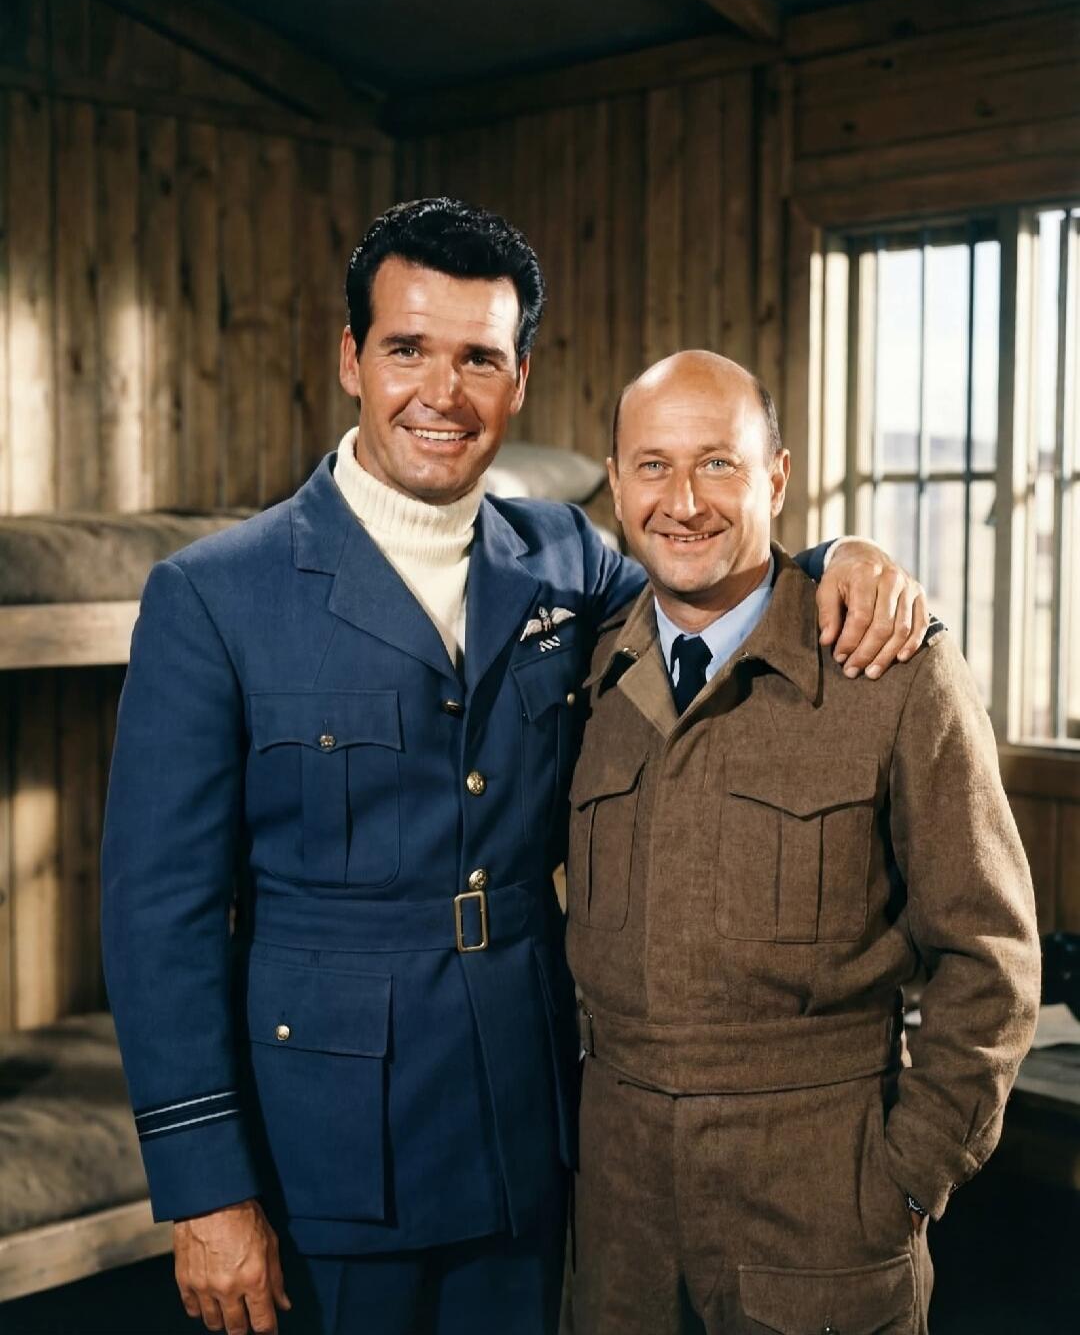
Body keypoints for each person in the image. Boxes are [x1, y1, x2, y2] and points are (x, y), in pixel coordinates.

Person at [100, 200, 926, 1335]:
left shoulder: (567, 557)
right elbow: (158, 916)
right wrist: (205, 1189)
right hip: (328, 1154)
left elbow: (711, 587)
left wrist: (839, 555)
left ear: (520, 378)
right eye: (407, 348)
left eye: (479, 358)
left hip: (526, 1128)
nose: (442, 393)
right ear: (350, 359)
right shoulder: (214, 595)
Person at [566, 350, 1041, 1335]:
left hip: (823, 1223)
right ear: (614, 483)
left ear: (777, 477)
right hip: (617, 1232)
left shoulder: (892, 669)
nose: (683, 501)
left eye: (719, 463)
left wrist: (907, 1178)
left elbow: (992, 960)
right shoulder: (586, 673)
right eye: (653, 466)